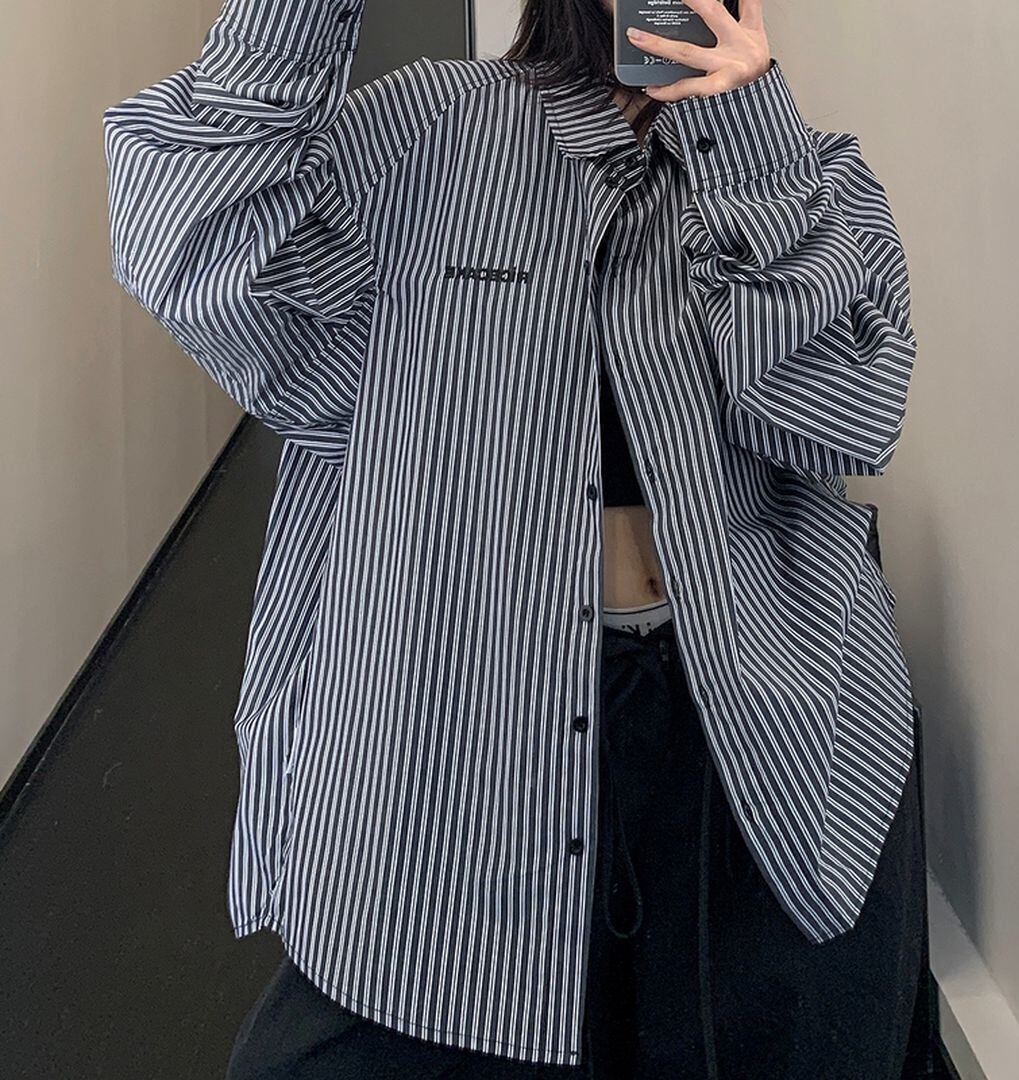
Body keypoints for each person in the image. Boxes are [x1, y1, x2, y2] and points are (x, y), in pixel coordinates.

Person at [102, 0, 931, 1075]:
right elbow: (200, 256)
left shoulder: (804, 168)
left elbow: (845, 419)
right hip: (454, 711)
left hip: (752, 718)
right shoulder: (429, 126)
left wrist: (748, 144)